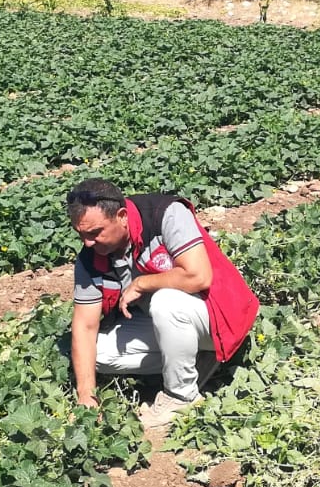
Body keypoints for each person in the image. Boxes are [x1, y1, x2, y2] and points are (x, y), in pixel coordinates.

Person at [66, 179, 260, 430]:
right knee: (99, 354)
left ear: (122, 216)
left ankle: (181, 397)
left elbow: (198, 276)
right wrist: (86, 396)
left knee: (164, 301)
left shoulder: (165, 214)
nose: (88, 243)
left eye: (95, 232)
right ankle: (197, 360)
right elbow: (84, 325)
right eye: (81, 234)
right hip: (174, 322)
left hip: (218, 314)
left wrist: (141, 284)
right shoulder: (90, 258)